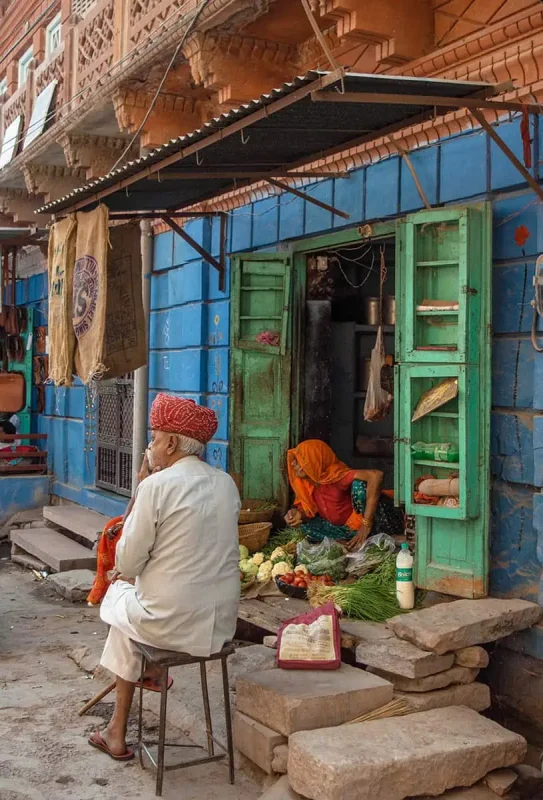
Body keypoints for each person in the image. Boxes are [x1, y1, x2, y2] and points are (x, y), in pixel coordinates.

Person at [88, 393, 241, 761]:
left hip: (170, 622)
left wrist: (141, 486)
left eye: (154, 438)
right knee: (130, 619)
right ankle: (146, 681)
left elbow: (127, 561)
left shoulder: (155, 486)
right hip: (220, 624)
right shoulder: (226, 484)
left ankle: (119, 727)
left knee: (118, 596)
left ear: (171, 443)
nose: (150, 446)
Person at [284, 439, 404, 552]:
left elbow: (376, 475)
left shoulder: (335, 476)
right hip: (341, 529)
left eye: (300, 459)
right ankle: (347, 542)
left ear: (314, 461)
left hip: (368, 523)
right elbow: (309, 511)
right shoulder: (306, 485)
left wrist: (365, 524)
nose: (293, 463)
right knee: (303, 529)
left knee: (359, 486)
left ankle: (371, 535)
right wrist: (298, 514)